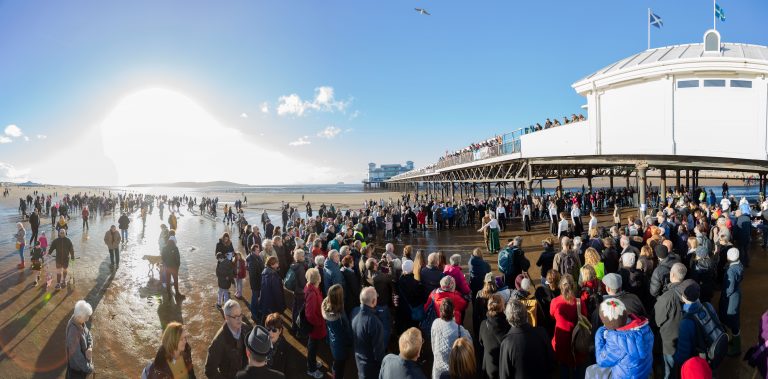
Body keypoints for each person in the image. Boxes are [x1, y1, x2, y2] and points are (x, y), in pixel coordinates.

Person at [586, 298, 654, 378]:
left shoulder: (616, 341)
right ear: (625, 312)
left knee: (589, 370)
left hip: (625, 376)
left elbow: (601, 361)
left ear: (605, 323)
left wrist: (599, 334)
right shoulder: (645, 327)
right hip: (643, 372)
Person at [499, 299, 553, 378]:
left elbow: (504, 375)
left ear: (508, 319)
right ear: (526, 314)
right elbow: (551, 361)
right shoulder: (541, 332)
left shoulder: (507, 343)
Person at [550, 273, 588, 378]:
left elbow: (552, 316)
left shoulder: (554, 302)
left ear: (560, 287)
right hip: (578, 341)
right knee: (579, 370)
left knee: (563, 368)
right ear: (573, 286)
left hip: (561, 341)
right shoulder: (580, 302)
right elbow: (585, 317)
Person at [654, 263, 686, 378]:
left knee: (668, 371)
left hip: (669, 341)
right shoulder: (689, 289)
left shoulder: (666, 297)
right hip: (685, 338)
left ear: (672, 275)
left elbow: (658, 321)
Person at [205, 300, 251, 379]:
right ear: (226, 317)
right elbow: (209, 370)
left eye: (240, 315)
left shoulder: (245, 328)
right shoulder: (219, 341)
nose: (239, 319)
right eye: (235, 316)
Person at [431, 298, 472, 379]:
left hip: (438, 368)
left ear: (440, 311)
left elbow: (433, 344)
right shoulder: (461, 331)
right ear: (453, 311)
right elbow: (469, 348)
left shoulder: (435, 323)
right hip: (456, 370)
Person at [352, 287, 387, 379]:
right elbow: (378, 351)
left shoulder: (354, 312)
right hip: (371, 367)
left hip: (359, 361)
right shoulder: (375, 323)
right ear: (374, 301)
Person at [322, 283, 353, 379]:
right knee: (340, 366)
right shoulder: (339, 317)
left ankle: (334, 368)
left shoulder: (326, 305)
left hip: (332, 341)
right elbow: (346, 332)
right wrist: (350, 342)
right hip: (340, 346)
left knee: (337, 361)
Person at [719, 247, 744, 356]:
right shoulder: (739, 265)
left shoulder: (731, 271)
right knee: (734, 318)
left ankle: (737, 348)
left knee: (733, 319)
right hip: (736, 294)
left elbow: (729, 288)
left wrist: (724, 295)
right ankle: (735, 340)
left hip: (731, 297)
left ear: (729, 258)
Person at [478, 294, 510, 379]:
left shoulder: (483, 325)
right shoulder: (508, 326)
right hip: (504, 368)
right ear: (503, 307)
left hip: (489, 367)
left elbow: (481, 343)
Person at [304, 267, 327, 378]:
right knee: (312, 347)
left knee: (313, 346)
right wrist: (318, 322)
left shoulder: (312, 288)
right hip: (315, 327)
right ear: (317, 279)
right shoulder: (312, 293)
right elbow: (309, 314)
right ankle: (311, 369)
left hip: (316, 325)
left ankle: (312, 363)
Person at [66, 300, 94, 379]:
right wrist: (89, 368)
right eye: (86, 317)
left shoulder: (80, 321)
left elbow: (88, 334)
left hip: (83, 365)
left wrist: (90, 347)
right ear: (79, 316)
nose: (87, 319)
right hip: (77, 369)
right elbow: (77, 357)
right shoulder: (73, 332)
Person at [289, 249, 308, 333]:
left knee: (295, 308)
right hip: (300, 292)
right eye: (303, 256)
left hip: (295, 291)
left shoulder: (294, 264)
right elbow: (303, 283)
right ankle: (298, 329)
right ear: (300, 257)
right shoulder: (301, 268)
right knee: (300, 311)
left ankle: (293, 325)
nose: (305, 257)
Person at [246, 245, 264, 322]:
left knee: (257, 297)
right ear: (253, 251)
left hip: (259, 281)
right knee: (254, 298)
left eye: (259, 249)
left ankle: (256, 309)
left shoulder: (258, 257)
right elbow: (253, 275)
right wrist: (261, 276)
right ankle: (254, 314)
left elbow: (261, 266)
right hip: (255, 283)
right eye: (257, 250)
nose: (259, 251)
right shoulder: (252, 261)